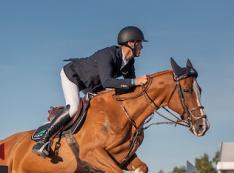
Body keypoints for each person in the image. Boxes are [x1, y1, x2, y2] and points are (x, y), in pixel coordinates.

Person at [32, 26, 148, 157]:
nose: (142, 47)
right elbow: (108, 82)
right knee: (74, 107)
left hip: (93, 85)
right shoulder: (108, 54)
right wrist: (134, 82)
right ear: (131, 43)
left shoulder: (129, 62)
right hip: (73, 75)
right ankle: (43, 140)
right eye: (140, 43)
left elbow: (130, 87)